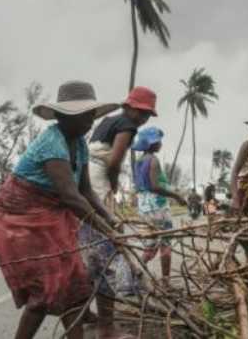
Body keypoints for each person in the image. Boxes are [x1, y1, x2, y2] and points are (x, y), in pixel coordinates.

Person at [0, 81, 122, 339]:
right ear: (62, 116)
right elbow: (71, 197)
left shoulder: (80, 144)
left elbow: (87, 192)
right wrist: (108, 232)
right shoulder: (52, 142)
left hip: (48, 217)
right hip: (17, 219)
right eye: (82, 116)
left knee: (73, 284)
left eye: (91, 115)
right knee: (47, 286)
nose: (89, 122)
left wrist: (110, 220)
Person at [78, 86, 156, 336]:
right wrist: (113, 185)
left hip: (84, 181)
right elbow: (114, 162)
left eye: (148, 115)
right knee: (105, 257)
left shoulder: (107, 121)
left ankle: (83, 314)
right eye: (142, 112)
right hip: (97, 183)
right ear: (130, 107)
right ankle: (106, 329)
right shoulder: (127, 125)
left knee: (88, 254)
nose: (144, 118)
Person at [132, 127, 187, 288]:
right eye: (158, 141)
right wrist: (176, 196)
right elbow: (155, 186)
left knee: (149, 246)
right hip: (159, 207)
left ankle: (134, 279)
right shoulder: (153, 160)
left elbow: (142, 186)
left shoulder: (139, 161)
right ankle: (165, 283)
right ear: (152, 143)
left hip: (144, 208)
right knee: (166, 244)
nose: (160, 143)